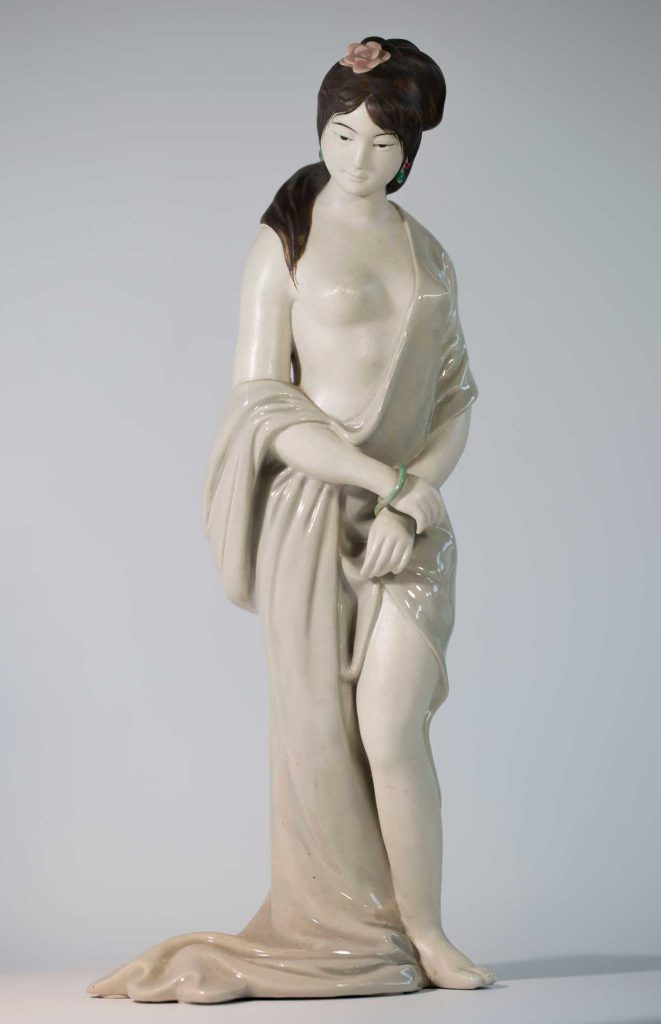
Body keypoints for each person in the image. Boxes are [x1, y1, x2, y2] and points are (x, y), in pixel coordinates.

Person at [86, 36, 496, 1004]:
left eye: (381, 144)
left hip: (407, 523)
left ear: (408, 154)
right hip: (312, 514)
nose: (358, 157)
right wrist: (385, 481)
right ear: (321, 129)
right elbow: (261, 404)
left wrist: (415, 496)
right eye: (342, 134)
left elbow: (456, 397)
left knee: (393, 728)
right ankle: (345, 927)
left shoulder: (429, 257)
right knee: (317, 739)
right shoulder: (286, 241)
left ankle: (425, 929)